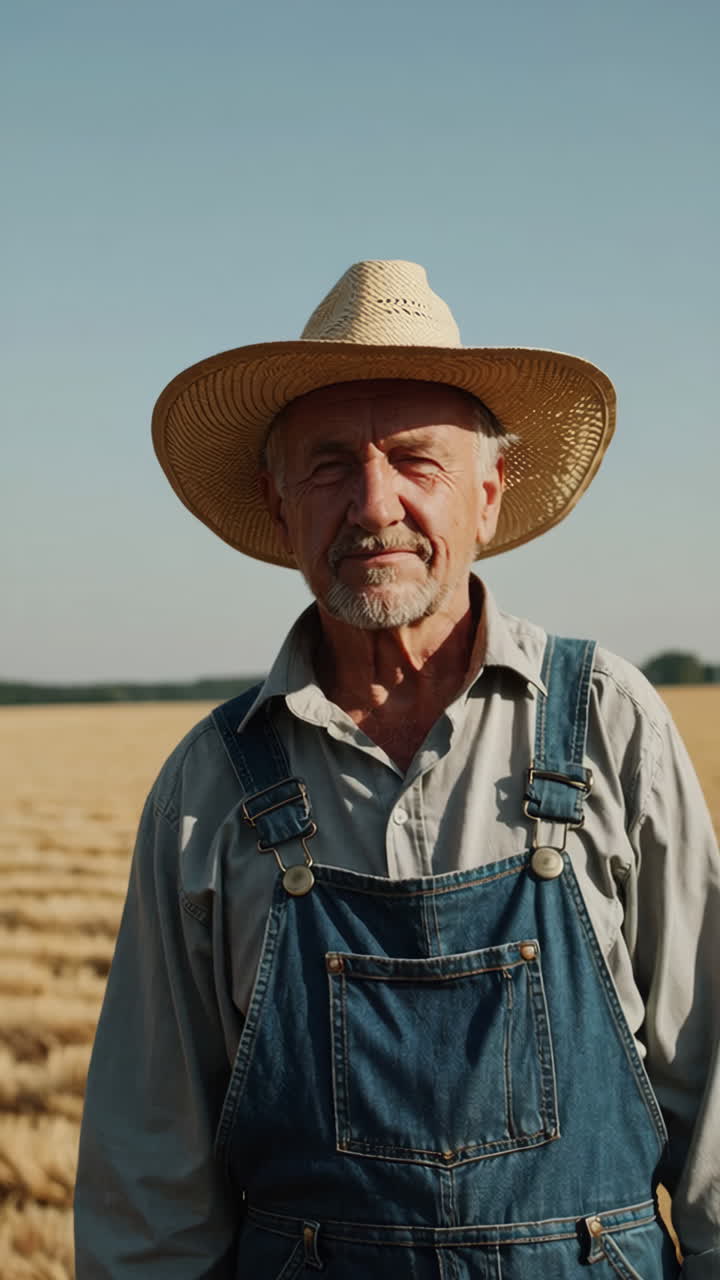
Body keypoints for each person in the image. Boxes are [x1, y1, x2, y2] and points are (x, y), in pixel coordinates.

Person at [74, 260, 719, 1278]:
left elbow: (715, 1082)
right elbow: (150, 1177)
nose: (375, 503)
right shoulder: (210, 786)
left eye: (416, 460)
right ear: (278, 503)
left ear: (489, 494)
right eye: (330, 463)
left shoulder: (608, 724)